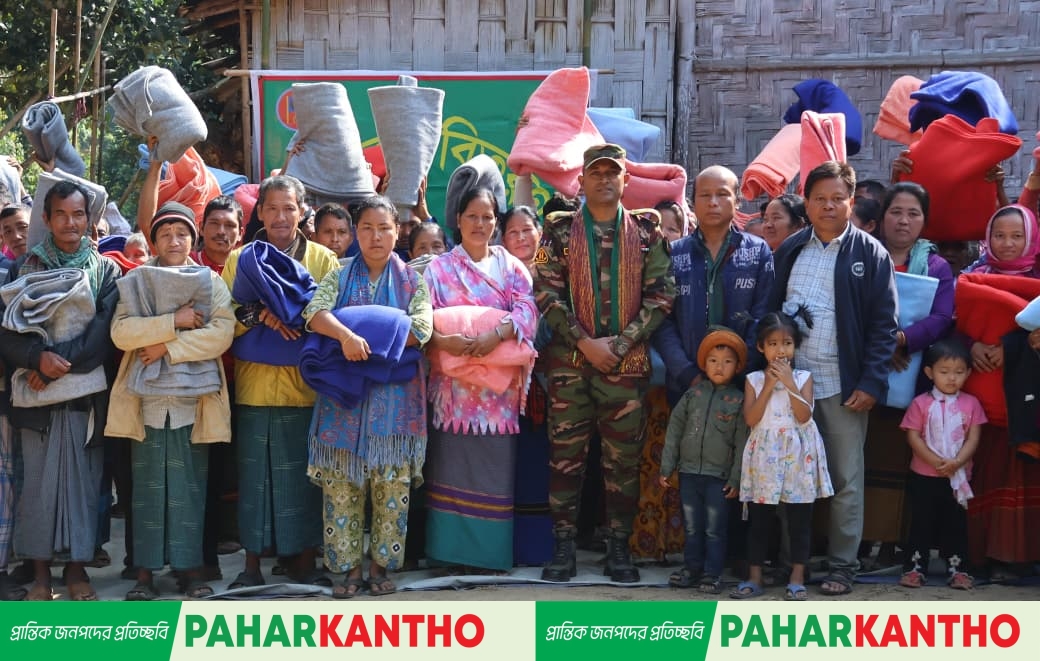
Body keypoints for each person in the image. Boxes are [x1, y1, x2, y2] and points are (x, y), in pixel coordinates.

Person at [535, 144, 675, 582]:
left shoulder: (647, 231)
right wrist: (585, 342)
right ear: (581, 181)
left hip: (625, 366)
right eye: (595, 173)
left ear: (625, 180)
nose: (604, 180)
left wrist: (621, 344)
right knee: (564, 460)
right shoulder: (556, 232)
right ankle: (563, 548)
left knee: (623, 463)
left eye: (612, 173)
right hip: (570, 365)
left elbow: (662, 295)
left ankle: (619, 548)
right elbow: (545, 293)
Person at [768, 160, 898, 596]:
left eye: (837, 198)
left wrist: (871, 382)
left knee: (845, 481)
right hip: (790, 386)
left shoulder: (870, 254)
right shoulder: (790, 249)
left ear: (851, 201)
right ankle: (791, 564)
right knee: (791, 478)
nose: (828, 206)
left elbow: (884, 326)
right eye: (820, 198)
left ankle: (843, 566)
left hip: (843, 387)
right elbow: (770, 311)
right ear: (806, 203)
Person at [303, 195, 432, 597]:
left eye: (384, 228)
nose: (376, 237)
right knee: (342, 487)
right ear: (356, 233)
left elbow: (421, 330)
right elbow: (314, 314)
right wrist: (346, 335)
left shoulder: (413, 281)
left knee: (392, 488)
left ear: (398, 232)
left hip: (396, 407)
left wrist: (367, 340)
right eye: (367, 228)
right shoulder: (339, 276)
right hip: (344, 403)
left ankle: (380, 567)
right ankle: (349, 570)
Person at [106, 203, 234, 600]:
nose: (174, 241)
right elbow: (121, 332)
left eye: (181, 234)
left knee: (189, 487)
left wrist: (166, 347)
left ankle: (190, 569)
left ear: (192, 239)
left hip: (192, 404)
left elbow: (221, 334)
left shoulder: (210, 282)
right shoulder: (137, 280)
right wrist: (173, 321)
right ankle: (144, 573)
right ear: (153, 241)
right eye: (165, 234)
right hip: (145, 403)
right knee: (146, 490)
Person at [0, 181, 121, 601]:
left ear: (89, 219)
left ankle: (76, 571)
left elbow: (102, 335)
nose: (71, 223)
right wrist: (36, 358)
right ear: (47, 219)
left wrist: (52, 367)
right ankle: (40, 577)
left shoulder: (106, 271)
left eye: (78, 214)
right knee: (36, 488)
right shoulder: (24, 268)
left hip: (85, 397)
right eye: (61, 215)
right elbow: (7, 331)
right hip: (34, 401)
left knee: (85, 487)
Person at [222, 175, 340, 588]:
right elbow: (224, 313)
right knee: (254, 478)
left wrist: (292, 316)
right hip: (254, 386)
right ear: (259, 212)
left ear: (303, 211)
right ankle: (251, 565)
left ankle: (303, 561)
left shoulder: (323, 259)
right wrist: (259, 315)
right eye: (271, 208)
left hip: (305, 388)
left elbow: (332, 316)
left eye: (289, 208)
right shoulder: (241, 259)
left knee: (304, 479)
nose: (280, 217)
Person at [422, 187, 538, 573]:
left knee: (493, 473)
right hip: (453, 392)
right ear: (457, 220)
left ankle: (488, 558)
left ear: (496, 221)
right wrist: (446, 340)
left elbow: (527, 311)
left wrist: (497, 334)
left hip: (497, 395)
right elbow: (422, 319)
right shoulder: (438, 269)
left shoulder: (511, 267)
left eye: (487, 217)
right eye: (472, 216)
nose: (479, 224)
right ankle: (447, 556)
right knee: (450, 469)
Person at [732, 313, 833, 601]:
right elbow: (751, 418)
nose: (780, 350)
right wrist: (768, 385)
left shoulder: (803, 378)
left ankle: (797, 578)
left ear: (795, 346)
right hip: (765, 456)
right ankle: (755, 577)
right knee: (760, 520)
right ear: (761, 347)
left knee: (799, 520)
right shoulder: (753, 380)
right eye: (773, 344)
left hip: (798, 455)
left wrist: (788, 384)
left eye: (787, 343)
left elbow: (803, 416)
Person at [654, 165, 773, 407]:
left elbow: (763, 316)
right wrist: (687, 373)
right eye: (705, 195)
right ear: (693, 203)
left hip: (742, 385)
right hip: (685, 385)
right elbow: (662, 320)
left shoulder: (758, 251)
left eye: (722, 194)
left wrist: (738, 370)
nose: (713, 202)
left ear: (737, 201)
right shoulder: (673, 254)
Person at [658, 327, 748, 594]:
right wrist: (667, 466)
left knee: (714, 529)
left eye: (727, 361)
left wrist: (736, 479)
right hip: (689, 474)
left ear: (737, 367)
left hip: (718, 478)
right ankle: (692, 569)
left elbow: (742, 443)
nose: (719, 367)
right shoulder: (692, 395)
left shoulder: (739, 401)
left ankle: (712, 574)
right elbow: (675, 430)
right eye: (713, 360)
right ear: (703, 364)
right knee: (692, 527)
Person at [897, 340, 984, 590]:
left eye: (959, 372)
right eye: (944, 372)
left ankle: (958, 569)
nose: (951, 378)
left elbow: (973, 438)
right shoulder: (920, 403)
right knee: (921, 522)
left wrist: (957, 462)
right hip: (924, 475)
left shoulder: (971, 404)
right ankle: (915, 568)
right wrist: (935, 461)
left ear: (968, 373)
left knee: (955, 524)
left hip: (957, 477)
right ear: (929, 372)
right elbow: (913, 437)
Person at [192, 195, 243, 273]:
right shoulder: (186, 263)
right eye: (214, 223)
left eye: (229, 225)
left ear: (240, 234)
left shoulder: (248, 268)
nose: (221, 231)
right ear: (201, 228)